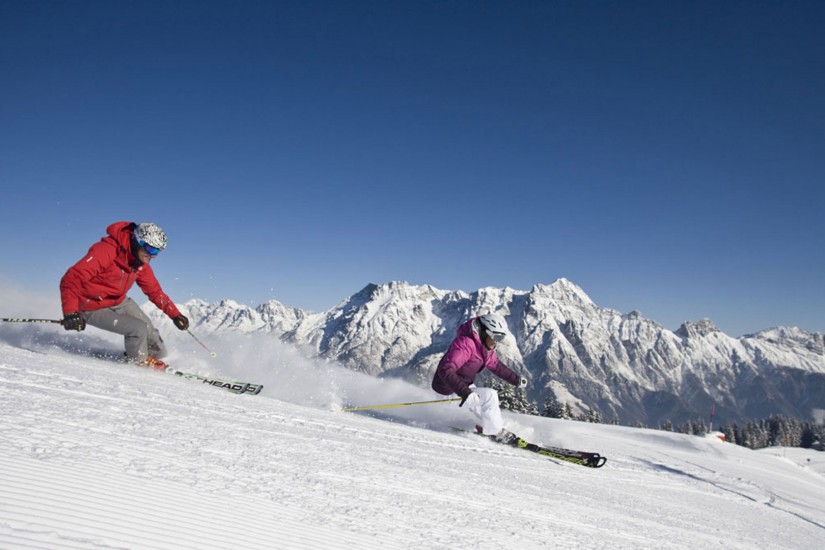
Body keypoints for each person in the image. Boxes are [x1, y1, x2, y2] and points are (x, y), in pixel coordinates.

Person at [59, 221, 189, 370]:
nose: (153, 256)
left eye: (157, 251)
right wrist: (71, 312)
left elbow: (154, 291)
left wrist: (175, 315)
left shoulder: (139, 262)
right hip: (91, 305)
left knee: (153, 337)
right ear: (137, 241)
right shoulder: (106, 250)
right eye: (150, 249)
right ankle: (138, 367)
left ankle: (144, 357)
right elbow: (71, 278)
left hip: (118, 301)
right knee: (137, 329)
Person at [432, 313, 527, 443]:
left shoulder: (484, 347)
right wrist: (465, 393)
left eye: (501, 337)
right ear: (483, 332)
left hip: (463, 386)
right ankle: (496, 433)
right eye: (496, 337)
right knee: (490, 396)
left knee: (484, 409)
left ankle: (489, 427)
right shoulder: (465, 344)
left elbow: (496, 366)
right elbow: (446, 369)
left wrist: (516, 380)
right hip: (448, 391)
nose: (497, 342)